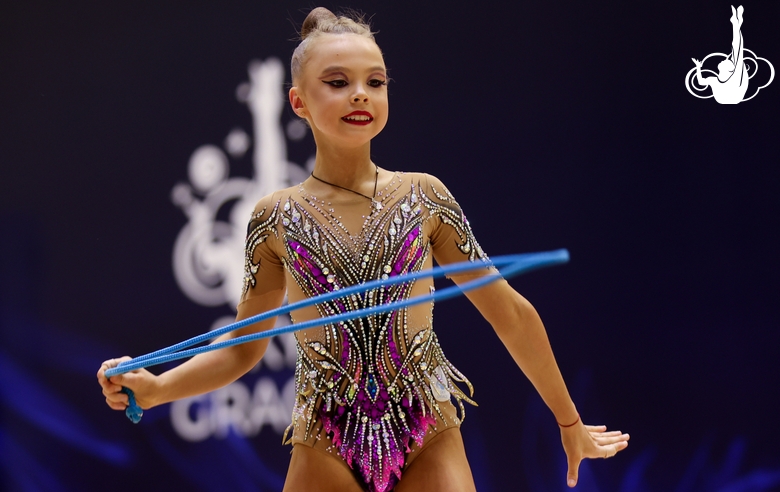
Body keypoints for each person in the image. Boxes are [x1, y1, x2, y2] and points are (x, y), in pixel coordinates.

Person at [97, 7, 629, 491]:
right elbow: (243, 347)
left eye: (375, 82)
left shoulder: (425, 197)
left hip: (427, 425)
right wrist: (156, 388)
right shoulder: (274, 217)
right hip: (325, 435)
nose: (360, 94)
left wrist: (569, 422)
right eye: (338, 82)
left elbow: (509, 313)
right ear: (298, 101)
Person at [692, 5, 748, 104]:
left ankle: (736, 24)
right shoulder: (716, 79)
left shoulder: (721, 79)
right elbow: (700, 82)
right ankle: (736, 24)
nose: (724, 59)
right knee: (737, 52)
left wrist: (698, 68)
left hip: (732, 96)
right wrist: (698, 67)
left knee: (737, 51)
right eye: (727, 61)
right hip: (731, 96)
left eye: (726, 61)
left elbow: (738, 50)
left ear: (728, 69)